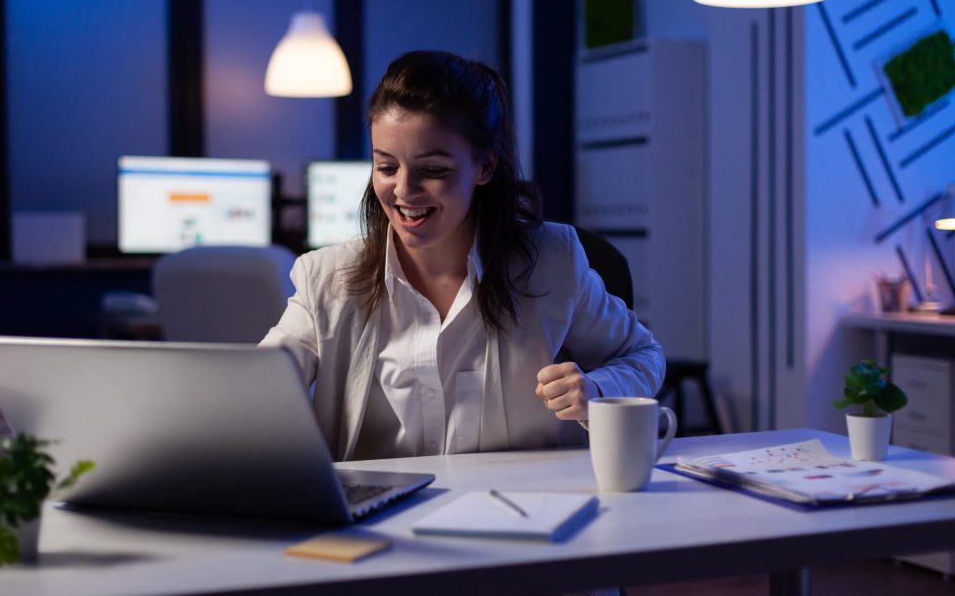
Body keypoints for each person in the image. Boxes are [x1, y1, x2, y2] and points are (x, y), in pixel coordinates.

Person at [261, 50, 664, 461]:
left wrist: (596, 390)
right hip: (377, 503)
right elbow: (256, 387)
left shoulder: (552, 260)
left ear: (484, 167)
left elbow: (642, 356)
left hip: (520, 497)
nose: (404, 190)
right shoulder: (325, 278)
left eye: (433, 170)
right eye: (386, 167)